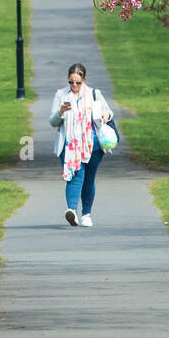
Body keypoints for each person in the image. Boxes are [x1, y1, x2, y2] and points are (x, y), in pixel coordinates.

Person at [48, 63, 114, 227]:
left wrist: (106, 114)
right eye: (71, 82)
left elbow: (109, 112)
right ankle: (71, 211)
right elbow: (53, 122)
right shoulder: (61, 95)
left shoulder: (94, 94)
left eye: (78, 82)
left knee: (89, 179)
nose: (74, 86)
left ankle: (86, 214)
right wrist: (61, 112)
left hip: (93, 145)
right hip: (69, 145)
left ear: (84, 79)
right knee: (75, 175)